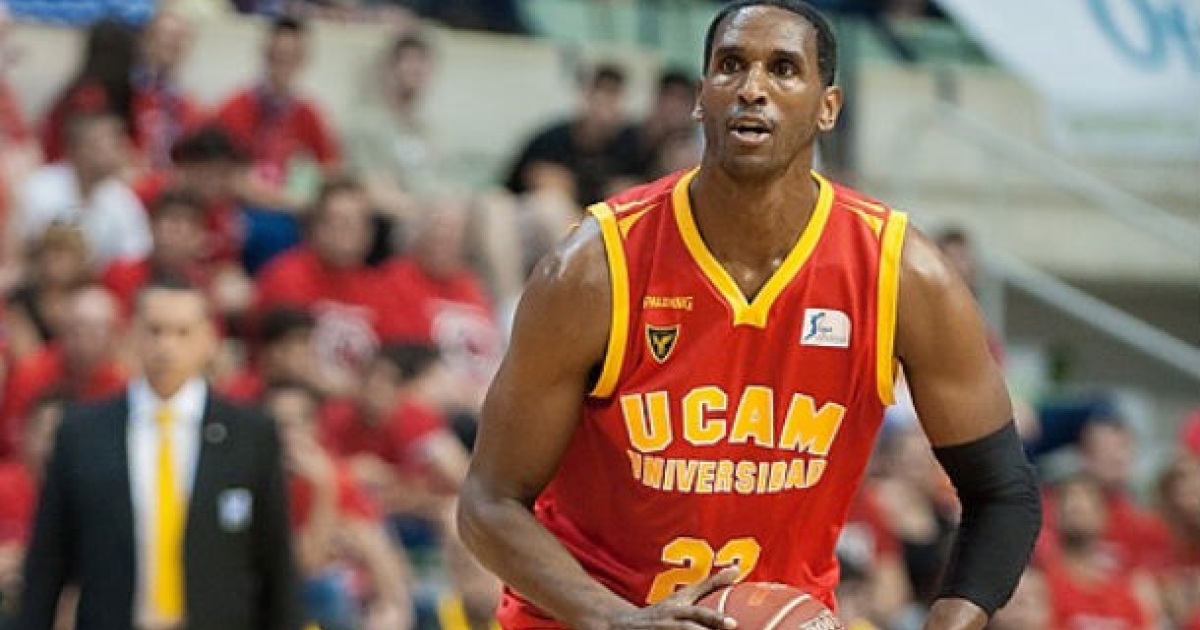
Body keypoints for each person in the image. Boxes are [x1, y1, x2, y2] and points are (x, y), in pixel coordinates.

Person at [458, 5, 1041, 630]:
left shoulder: (900, 274)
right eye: (730, 65)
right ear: (700, 97)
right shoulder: (596, 267)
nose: (751, 88)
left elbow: (1002, 494)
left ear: (828, 106)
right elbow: (488, 503)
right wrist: (616, 618)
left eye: (783, 69)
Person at [15, 278, 301, 630]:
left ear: (208, 340)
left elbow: (276, 561)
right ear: (132, 335)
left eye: (182, 332)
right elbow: (47, 562)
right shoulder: (83, 433)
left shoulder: (250, 434)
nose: (167, 346)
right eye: (154, 330)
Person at [18, 113, 151, 268]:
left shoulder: (122, 198)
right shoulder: (40, 188)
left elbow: (135, 256)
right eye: (99, 145)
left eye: (115, 144)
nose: (110, 153)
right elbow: (21, 250)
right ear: (73, 150)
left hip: (97, 281)